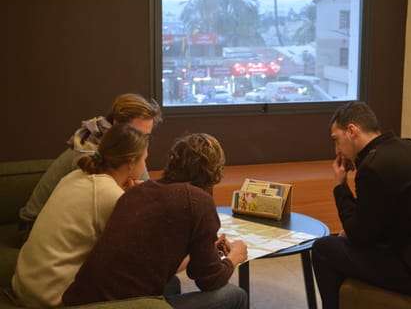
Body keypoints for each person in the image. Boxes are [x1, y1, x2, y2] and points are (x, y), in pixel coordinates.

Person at [311, 101, 411, 309]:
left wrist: (340, 186)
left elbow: (360, 237)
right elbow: (380, 217)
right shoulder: (410, 147)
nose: (337, 150)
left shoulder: (373, 166)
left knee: (324, 248)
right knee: (346, 243)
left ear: (352, 131)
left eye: (336, 140)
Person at [62, 133, 249, 309]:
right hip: (122, 304)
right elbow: (209, 279)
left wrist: (205, 247)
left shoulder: (138, 191)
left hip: (80, 300)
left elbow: (157, 255)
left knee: (172, 284)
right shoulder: (198, 201)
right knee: (235, 295)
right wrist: (234, 257)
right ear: (215, 171)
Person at [11, 123, 149, 308]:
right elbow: (139, 254)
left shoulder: (76, 176)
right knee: (153, 281)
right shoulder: (108, 195)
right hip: (51, 298)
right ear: (131, 162)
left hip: (24, 287)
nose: (145, 165)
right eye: (144, 159)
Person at [18, 93, 162, 233]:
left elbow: (145, 187)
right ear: (117, 124)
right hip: (33, 226)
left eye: (146, 137)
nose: (142, 143)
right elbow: (123, 200)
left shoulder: (117, 145)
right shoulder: (89, 154)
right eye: (136, 134)